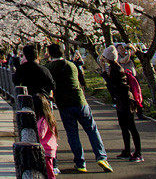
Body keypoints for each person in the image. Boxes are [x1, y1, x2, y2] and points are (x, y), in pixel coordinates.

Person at [46, 43, 112, 173]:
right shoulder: (72, 65)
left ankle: (80, 163)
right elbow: (80, 80)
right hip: (80, 101)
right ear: (63, 52)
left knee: (72, 134)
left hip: (64, 105)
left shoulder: (49, 68)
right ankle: (101, 157)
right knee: (92, 130)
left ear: (50, 54)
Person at [105, 59, 143, 161]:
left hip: (126, 101)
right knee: (124, 127)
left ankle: (138, 153)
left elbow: (114, 86)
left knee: (131, 127)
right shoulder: (114, 68)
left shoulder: (117, 69)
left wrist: (106, 76)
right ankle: (127, 151)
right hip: (121, 101)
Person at [34, 92, 60, 179]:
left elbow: (41, 134)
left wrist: (35, 130)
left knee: (49, 170)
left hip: (46, 149)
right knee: (48, 168)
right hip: (49, 148)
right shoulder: (48, 117)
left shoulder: (44, 120)